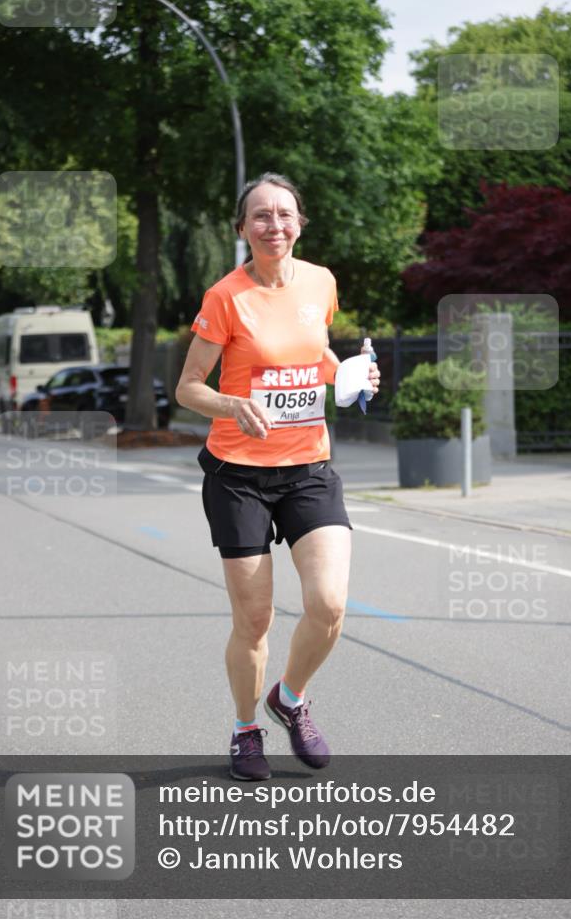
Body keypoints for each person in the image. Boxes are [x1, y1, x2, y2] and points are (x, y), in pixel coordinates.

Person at [175, 172, 380, 780]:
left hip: (309, 468)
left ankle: (288, 699)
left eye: (285, 215)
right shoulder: (225, 297)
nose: (275, 225)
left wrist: (347, 375)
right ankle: (245, 730)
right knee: (255, 620)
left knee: (330, 603)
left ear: (300, 223)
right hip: (238, 475)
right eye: (260, 216)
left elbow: (313, 349)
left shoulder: (321, 282)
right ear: (242, 229)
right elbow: (188, 387)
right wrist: (232, 405)